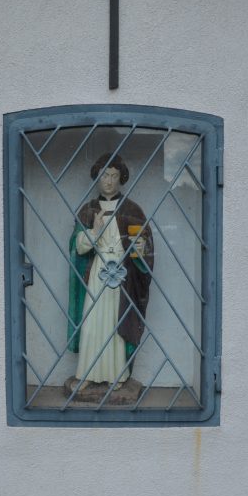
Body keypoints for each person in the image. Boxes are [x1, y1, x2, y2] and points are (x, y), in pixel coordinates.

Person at [68, 153, 153, 389]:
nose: (109, 181)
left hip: (122, 275)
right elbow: (77, 246)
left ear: (121, 178)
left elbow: (145, 245)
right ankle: (86, 373)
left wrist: (141, 248)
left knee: (117, 322)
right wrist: (94, 233)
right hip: (97, 273)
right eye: (105, 175)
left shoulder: (132, 210)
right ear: (97, 177)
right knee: (92, 322)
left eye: (114, 176)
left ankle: (117, 375)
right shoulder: (88, 210)